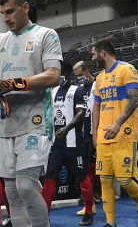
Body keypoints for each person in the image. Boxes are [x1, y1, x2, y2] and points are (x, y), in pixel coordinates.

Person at [0, 0, 62, 227]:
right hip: (5, 125)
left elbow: (53, 75)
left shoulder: (47, 35)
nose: (6, 18)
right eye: (3, 13)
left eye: (10, 11)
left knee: (25, 185)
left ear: (25, 7)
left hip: (35, 122)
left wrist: (13, 84)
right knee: (12, 192)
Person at [91, 39, 138, 227]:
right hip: (103, 136)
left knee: (124, 180)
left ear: (103, 53)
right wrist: (95, 132)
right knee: (105, 180)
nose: (92, 58)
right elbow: (96, 107)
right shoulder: (99, 78)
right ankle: (110, 222)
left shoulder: (127, 69)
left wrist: (117, 124)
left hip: (123, 133)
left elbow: (134, 101)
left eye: (94, 54)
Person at [41, 62, 94, 226]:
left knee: (82, 176)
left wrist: (68, 127)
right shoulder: (52, 91)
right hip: (56, 144)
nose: (57, 76)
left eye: (59, 73)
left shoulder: (76, 91)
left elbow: (81, 113)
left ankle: (89, 211)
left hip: (74, 143)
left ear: (66, 73)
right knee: (49, 176)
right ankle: (44, 216)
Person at [73, 61, 100, 216]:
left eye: (81, 75)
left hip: (96, 133)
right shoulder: (79, 89)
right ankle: (90, 202)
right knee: (85, 169)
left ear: (88, 70)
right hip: (82, 134)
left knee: (94, 168)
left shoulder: (98, 85)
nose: (79, 79)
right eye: (77, 77)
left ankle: (96, 196)